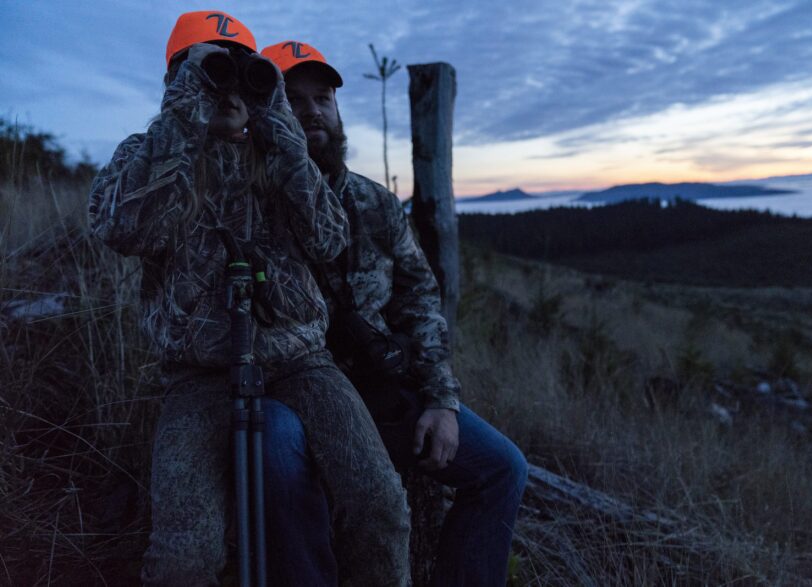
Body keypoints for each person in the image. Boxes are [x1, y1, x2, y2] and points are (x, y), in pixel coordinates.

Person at [89, 12, 410, 586]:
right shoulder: (147, 153)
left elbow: (330, 239)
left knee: (381, 506)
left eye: (241, 72)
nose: (228, 88)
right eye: (212, 69)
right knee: (183, 556)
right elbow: (123, 228)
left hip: (302, 362)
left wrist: (280, 129)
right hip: (198, 374)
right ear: (176, 81)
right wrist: (185, 120)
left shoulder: (281, 155)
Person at [261, 40, 529, 586]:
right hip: (291, 393)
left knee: (503, 468)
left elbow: (419, 299)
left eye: (322, 99)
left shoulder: (375, 202)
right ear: (269, 111)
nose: (311, 110)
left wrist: (439, 400)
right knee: (278, 453)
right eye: (293, 99)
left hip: (385, 389)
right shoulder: (250, 204)